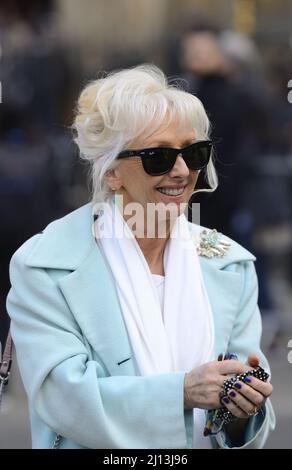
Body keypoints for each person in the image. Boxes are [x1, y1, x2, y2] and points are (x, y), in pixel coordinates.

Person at [6, 65, 275, 449]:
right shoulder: (44, 266)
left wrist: (240, 407)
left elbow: (247, 421)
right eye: (158, 157)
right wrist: (181, 392)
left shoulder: (230, 264)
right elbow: (65, 399)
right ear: (112, 172)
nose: (182, 171)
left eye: (194, 152)